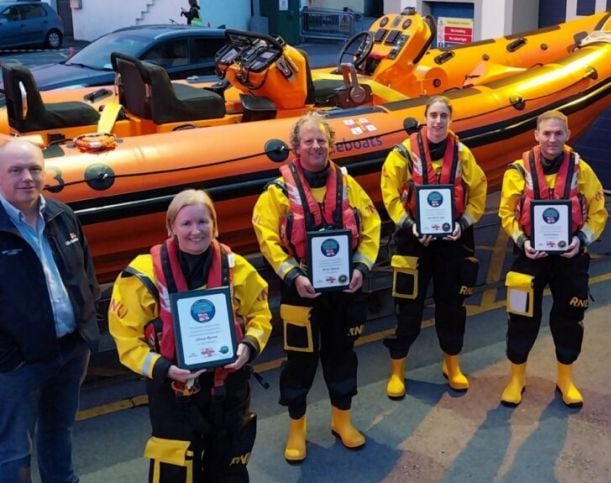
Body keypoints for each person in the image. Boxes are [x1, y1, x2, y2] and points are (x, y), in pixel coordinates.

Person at [108, 189, 272, 481]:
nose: (195, 231)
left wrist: (248, 346)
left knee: (230, 462)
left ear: (215, 225)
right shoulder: (141, 275)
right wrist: (164, 368)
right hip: (172, 390)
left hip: (228, 385)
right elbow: (127, 338)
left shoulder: (237, 269)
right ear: (171, 227)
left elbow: (260, 314)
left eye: (203, 222)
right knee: (175, 467)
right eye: (186, 223)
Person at [253, 112, 381, 464]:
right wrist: (294, 275)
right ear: (296, 147)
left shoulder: (347, 184)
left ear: (330, 144)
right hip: (302, 290)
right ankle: (297, 428)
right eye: (308, 141)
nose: (315, 146)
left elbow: (370, 226)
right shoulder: (277, 193)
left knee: (343, 354)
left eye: (321, 140)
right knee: (299, 361)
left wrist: (361, 266)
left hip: (344, 287)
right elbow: (268, 241)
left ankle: (342, 420)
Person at [0, 138, 100, 482]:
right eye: (16, 170)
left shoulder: (62, 216)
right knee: (13, 450)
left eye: (34, 169)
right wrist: (8, 358)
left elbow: (86, 275)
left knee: (59, 432)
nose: (27, 177)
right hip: (18, 365)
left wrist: (86, 330)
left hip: (70, 351)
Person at [379, 96, 487, 399]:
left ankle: (452, 364)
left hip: (453, 241)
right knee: (408, 307)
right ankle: (397, 370)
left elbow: (478, 193)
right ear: (425, 118)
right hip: (414, 240)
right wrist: (411, 226)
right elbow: (389, 195)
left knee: (452, 307)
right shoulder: (401, 154)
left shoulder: (463, 155)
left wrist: (463, 223)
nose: (438, 122)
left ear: (450, 120)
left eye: (443, 116)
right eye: (433, 116)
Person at [497, 110, 607, 407]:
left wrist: (582, 239)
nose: (552, 139)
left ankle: (565, 378)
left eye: (558, 133)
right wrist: (522, 241)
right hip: (529, 257)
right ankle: (517, 377)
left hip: (569, 257)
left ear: (568, 135)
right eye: (546, 133)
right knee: (521, 318)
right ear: (536, 135)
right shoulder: (517, 171)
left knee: (570, 318)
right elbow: (506, 213)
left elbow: (598, 212)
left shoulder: (582, 170)